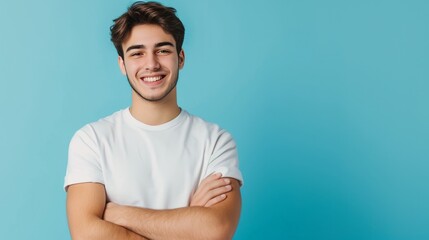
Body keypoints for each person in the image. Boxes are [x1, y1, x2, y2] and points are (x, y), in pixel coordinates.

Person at [64, 1, 243, 239]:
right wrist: (188, 221)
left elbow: (216, 229)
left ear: (180, 58)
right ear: (122, 65)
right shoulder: (91, 140)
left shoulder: (216, 141)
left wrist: (120, 214)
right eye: (137, 53)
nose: (151, 64)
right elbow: (86, 234)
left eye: (163, 50)